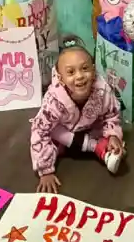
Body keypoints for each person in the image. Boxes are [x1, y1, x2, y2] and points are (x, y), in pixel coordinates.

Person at [30, 37, 124, 193]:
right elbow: (40, 131)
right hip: (62, 131)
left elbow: (111, 114)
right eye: (71, 72)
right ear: (60, 78)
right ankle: (96, 147)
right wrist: (45, 171)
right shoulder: (53, 100)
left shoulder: (102, 91)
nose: (79, 76)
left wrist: (113, 135)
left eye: (85, 68)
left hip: (89, 126)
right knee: (52, 135)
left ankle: (104, 147)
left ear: (93, 70)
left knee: (110, 138)